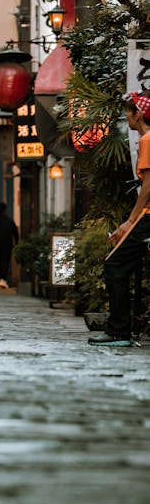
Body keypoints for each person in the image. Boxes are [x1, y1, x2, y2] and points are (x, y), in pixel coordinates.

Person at [88, 91, 150, 346]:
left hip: (147, 217)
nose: (127, 116)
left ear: (139, 114)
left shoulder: (148, 139)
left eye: (129, 111)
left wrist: (128, 222)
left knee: (115, 265)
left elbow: (148, 186)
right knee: (122, 265)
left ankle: (119, 331)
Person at [0, 201, 19, 289]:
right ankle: (3, 280)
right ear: (5, 210)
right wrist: (16, 243)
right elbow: (15, 233)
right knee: (6, 262)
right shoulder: (9, 220)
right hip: (7, 245)